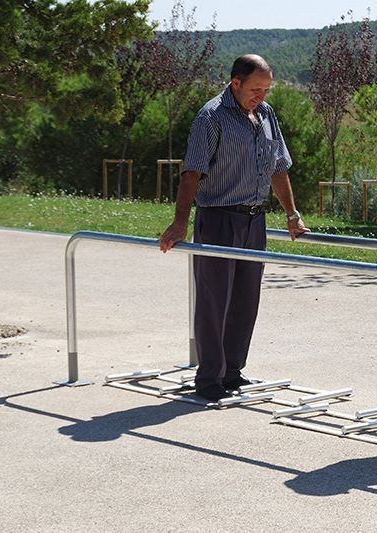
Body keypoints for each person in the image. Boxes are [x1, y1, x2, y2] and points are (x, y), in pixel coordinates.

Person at [159, 54, 308, 402]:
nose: (262, 96)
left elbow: (278, 168)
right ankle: (209, 376)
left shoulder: (266, 115)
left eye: (267, 89)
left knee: (245, 299)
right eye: (256, 89)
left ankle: (232, 371)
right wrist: (180, 221)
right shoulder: (211, 117)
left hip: (255, 219)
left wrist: (291, 213)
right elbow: (192, 172)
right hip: (219, 218)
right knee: (214, 301)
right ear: (235, 83)